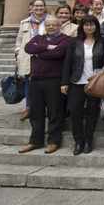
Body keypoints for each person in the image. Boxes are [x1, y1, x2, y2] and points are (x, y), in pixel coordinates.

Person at [19, 16, 71, 154]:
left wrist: (39, 53)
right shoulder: (38, 38)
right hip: (36, 80)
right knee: (36, 112)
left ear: (59, 26)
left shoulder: (65, 39)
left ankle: (54, 141)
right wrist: (47, 47)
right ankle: (35, 141)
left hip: (54, 80)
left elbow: (59, 52)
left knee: (55, 112)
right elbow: (28, 48)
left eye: (54, 25)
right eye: (48, 25)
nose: (51, 27)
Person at [61, 15, 104, 155]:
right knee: (75, 112)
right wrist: (64, 82)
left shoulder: (102, 41)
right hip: (76, 82)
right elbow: (67, 63)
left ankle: (88, 140)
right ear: (82, 26)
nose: (89, 27)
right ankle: (78, 141)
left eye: (92, 24)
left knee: (93, 112)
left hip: (94, 82)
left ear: (96, 27)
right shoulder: (74, 42)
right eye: (86, 24)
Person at [15, 0, 47, 121]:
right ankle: (29, 108)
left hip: (44, 57)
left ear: (45, 7)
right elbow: (19, 39)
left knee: (42, 83)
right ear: (32, 8)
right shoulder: (24, 22)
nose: (39, 8)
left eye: (41, 6)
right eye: (36, 6)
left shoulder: (50, 21)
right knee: (29, 82)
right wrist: (18, 51)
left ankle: (42, 108)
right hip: (27, 57)